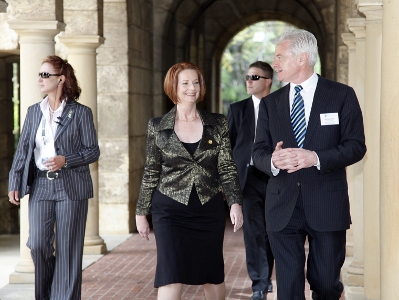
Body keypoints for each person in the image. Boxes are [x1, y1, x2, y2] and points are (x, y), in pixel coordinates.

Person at [252, 29, 366, 300]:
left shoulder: (342, 95)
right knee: (289, 289)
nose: (275, 63)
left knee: (326, 284)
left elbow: (356, 146)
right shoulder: (270, 104)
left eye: (280, 57)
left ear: (302, 58)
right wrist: (273, 161)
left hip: (327, 205)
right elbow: (258, 152)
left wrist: (315, 158)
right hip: (282, 207)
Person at [136, 62, 243, 300]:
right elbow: (151, 170)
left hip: (209, 209)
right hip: (169, 211)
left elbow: (226, 166)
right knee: (171, 273)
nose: (191, 88)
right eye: (185, 83)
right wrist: (141, 213)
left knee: (211, 274)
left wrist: (235, 202)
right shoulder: (157, 126)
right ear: (173, 87)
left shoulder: (218, 124)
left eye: (195, 82)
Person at [8, 55, 100, 300]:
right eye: (39, 74)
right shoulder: (33, 112)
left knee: (69, 249)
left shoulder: (80, 113)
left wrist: (66, 159)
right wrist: (14, 181)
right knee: (37, 245)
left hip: (71, 186)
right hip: (40, 185)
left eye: (45, 75)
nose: (39, 79)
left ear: (61, 79)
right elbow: (23, 149)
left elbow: (93, 151)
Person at [227, 61, 274, 300]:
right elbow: (228, 148)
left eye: (255, 77)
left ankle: (268, 275)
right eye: (247, 76)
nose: (249, 80)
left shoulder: (280, 107)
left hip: (276, 178)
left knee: (273, 231)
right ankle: (260, 283)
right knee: (254, 232)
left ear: (268, 81)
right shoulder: (237, 110)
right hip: (248, 179)